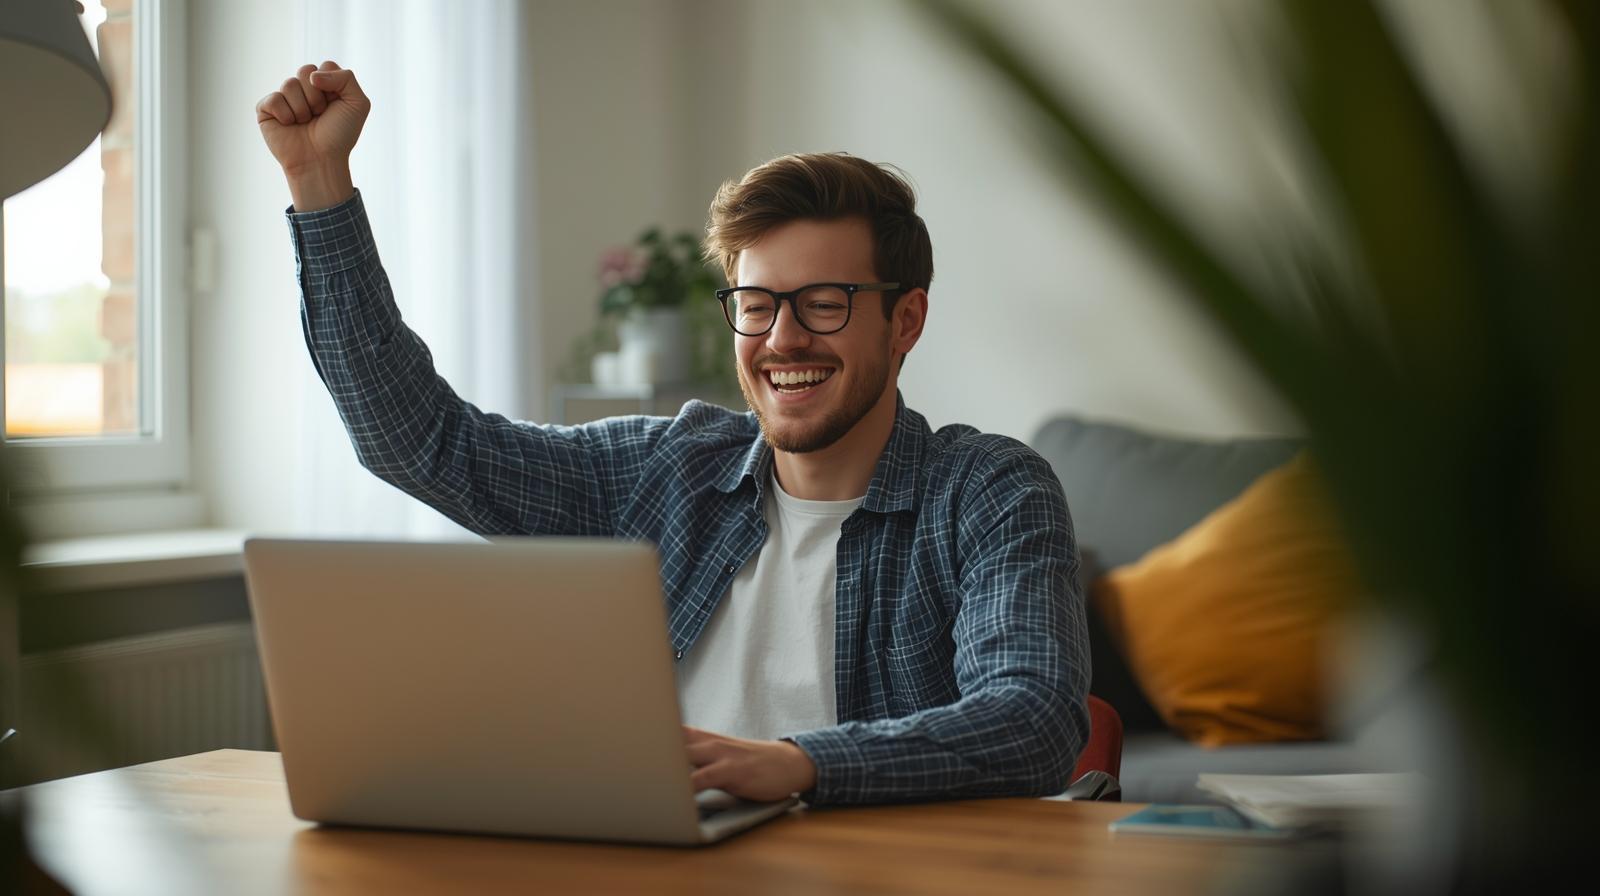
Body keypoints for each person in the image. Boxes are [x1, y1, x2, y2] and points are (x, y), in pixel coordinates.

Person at [257, 62, 1090, 806]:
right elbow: (419, 442)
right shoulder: (670, 469)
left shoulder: (988, 490)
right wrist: (319, 182)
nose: (782, 340)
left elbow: (1032, 717)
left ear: (905, 320)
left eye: (825, 302)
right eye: (757, 306)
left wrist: (800, 764)